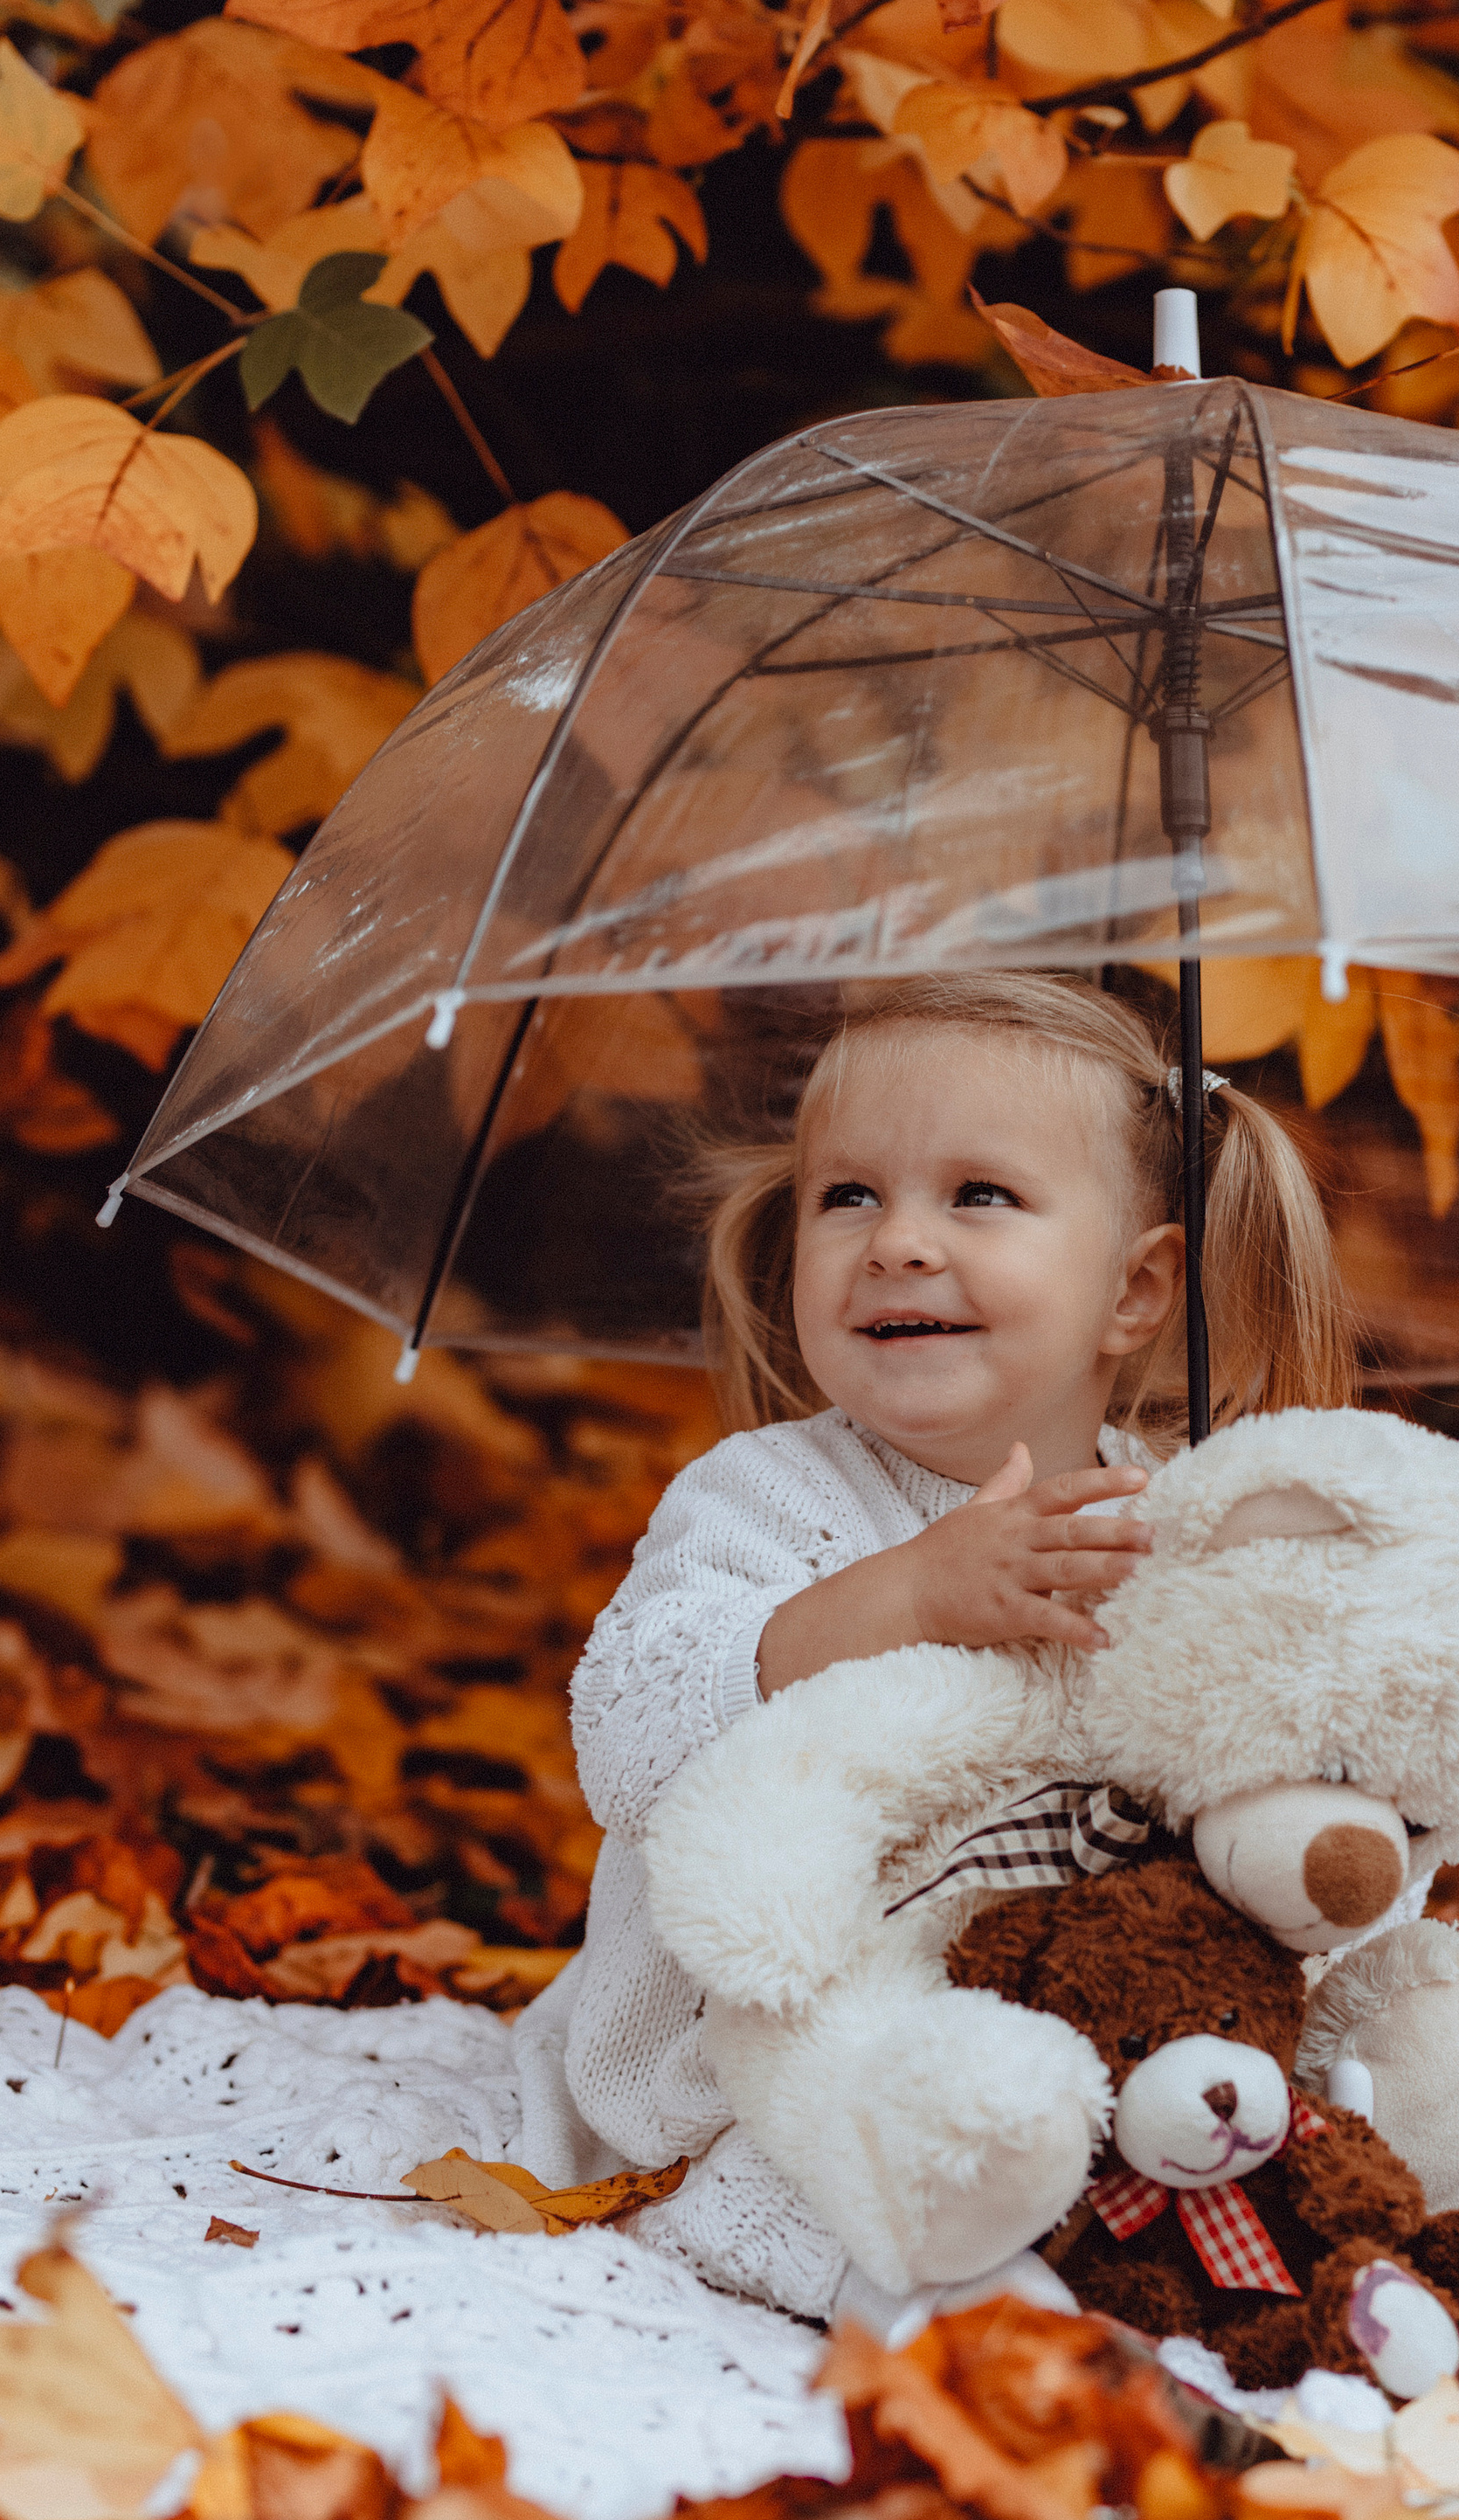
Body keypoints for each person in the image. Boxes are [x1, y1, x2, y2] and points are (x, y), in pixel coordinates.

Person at [514, 972, 1358, 2321]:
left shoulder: (1172, 1518)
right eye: (847, 1194)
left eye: (978, 1195)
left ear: (1138, 1287)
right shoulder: (763, 1498)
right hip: (769, 2056)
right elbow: (625, 1732)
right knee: (818, 2170)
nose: (897, 1241)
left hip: (1082, 2021)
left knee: (1334, 2118)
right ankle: (979, 2329)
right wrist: (906, 1595)